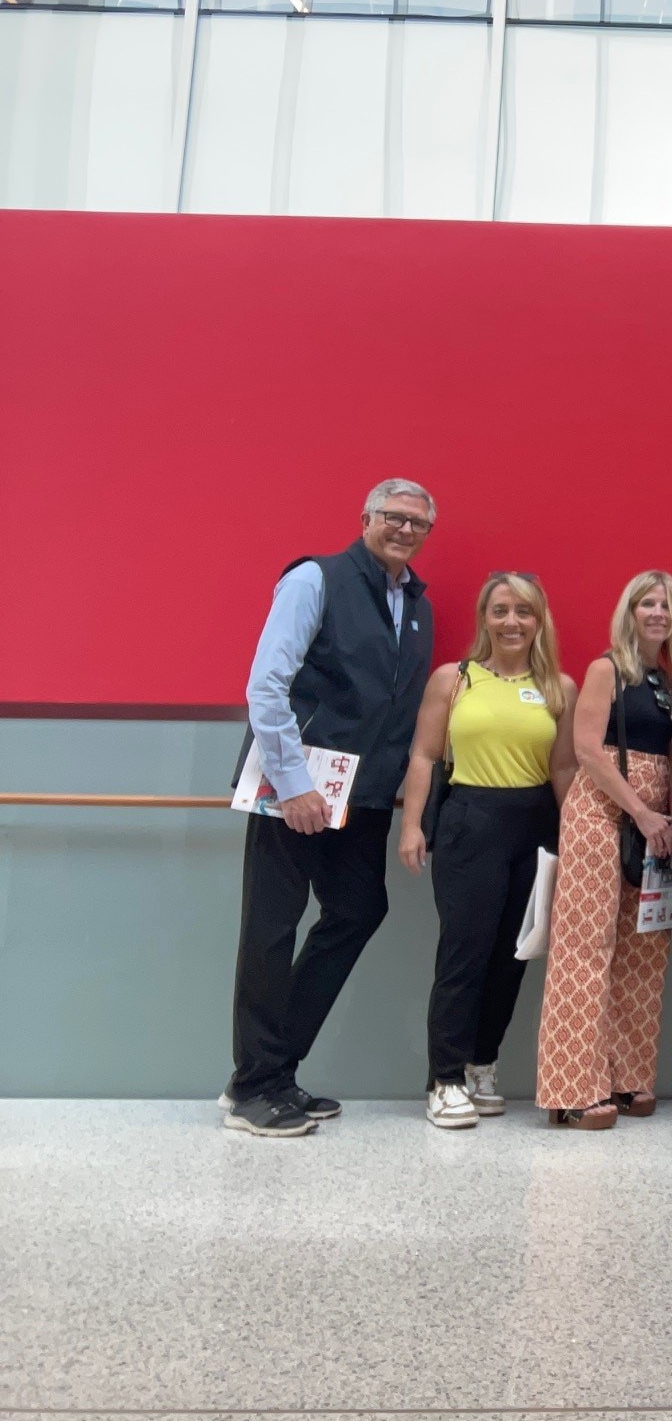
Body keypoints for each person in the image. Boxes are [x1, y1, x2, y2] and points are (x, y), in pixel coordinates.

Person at [221, 478, 438, 1138]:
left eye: (418, 523)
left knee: (358, 908)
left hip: (361, 791)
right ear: (366, 517)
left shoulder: (417, 605)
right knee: (271, 925)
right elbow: (266, 686)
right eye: (394, 517)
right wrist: (293, 787)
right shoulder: (314, 580)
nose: (405, 530)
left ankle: (272, 1070)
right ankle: (254, 1085)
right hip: (295, 787)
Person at [398, 574, 577, 1129]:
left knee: (511, 957)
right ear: (486, 618)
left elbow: (563, 768)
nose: (512, 622)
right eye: (501, 610)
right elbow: (425, 756)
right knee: (465, 953)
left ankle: (481, 1064)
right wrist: (411, 827)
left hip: (535, 826)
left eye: (523, 611)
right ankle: (444, 1079)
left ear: (539, 619)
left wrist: (577, 836)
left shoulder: (559, 688)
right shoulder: (455, 680)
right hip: (469, 823)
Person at [534, 571, 672, 1130]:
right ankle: (573, 1087)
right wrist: (641, 813)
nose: (656, 612)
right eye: (647, 603)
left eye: (666, 604)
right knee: (585, 945)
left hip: (656, 828)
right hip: (601, 813)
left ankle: (626, 1076)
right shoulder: (607, 670)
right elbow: (587, 751)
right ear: (629, 611)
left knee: (645, 951)